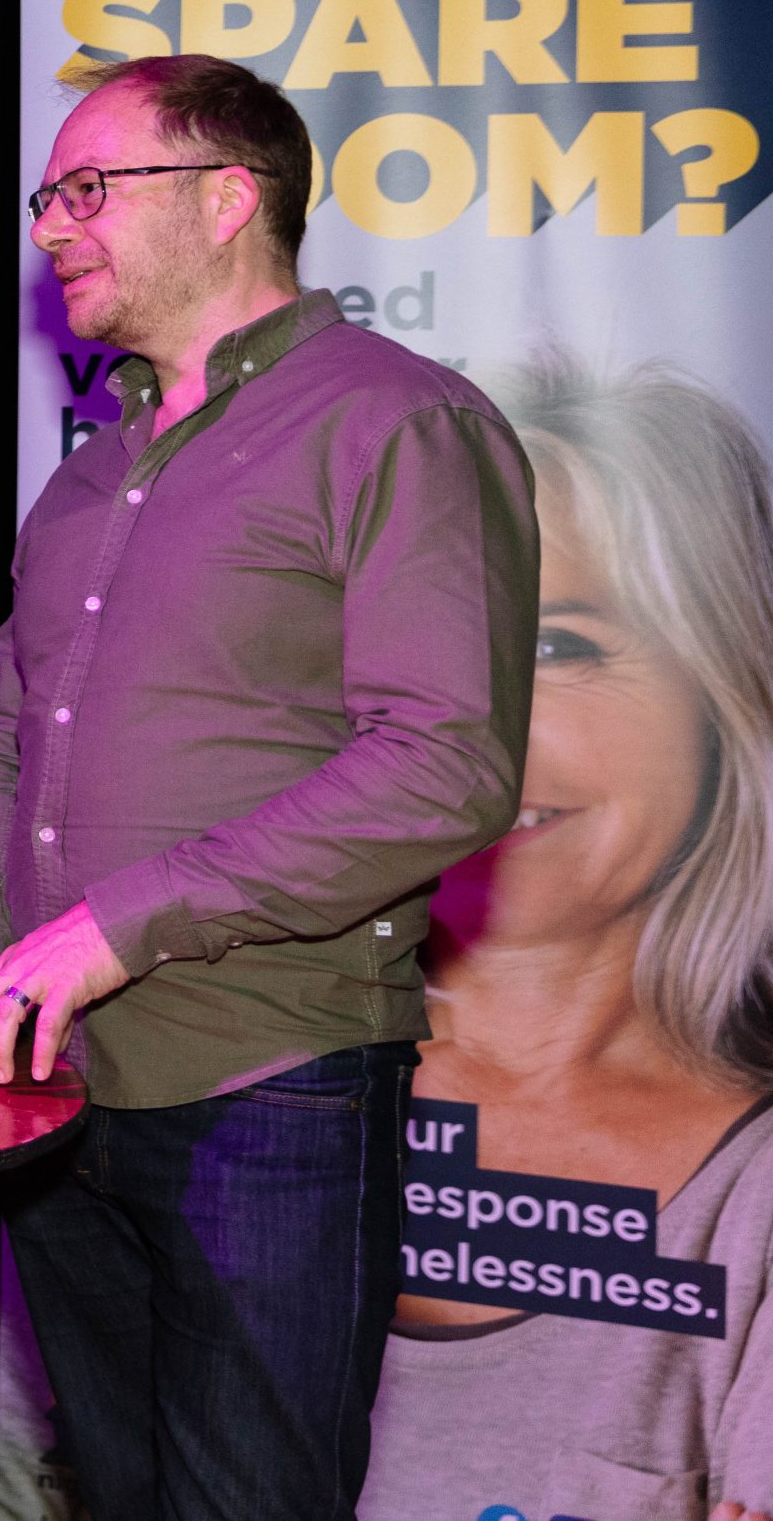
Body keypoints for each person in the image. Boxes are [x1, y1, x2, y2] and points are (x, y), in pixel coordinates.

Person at [0, 53, 538, 1518]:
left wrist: (117, 926)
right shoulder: (88, 470)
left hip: (268, 1085)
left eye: (87, 188)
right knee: (114, 1490)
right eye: (48, 198)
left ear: (230, 198)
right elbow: (1, 730)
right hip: (53, 1085)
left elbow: (446, 764)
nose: (52, 226)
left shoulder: (397, 422)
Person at [360, 358, 771, 1521]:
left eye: (555, 647)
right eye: (416, 652)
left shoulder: (753, 1194)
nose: (474, 733)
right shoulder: (222, 1089)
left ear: (724, 687)